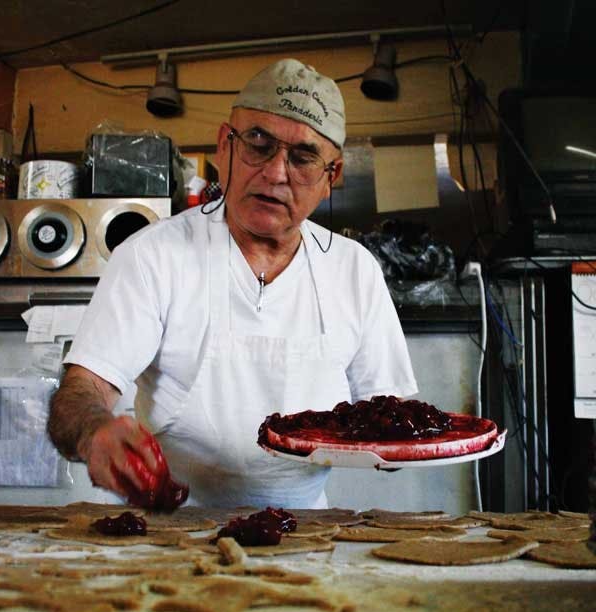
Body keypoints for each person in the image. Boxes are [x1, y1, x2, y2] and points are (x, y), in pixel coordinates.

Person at [47, 58, 418, 509]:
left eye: (302, 158)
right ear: (225, 145)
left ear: (331, 177)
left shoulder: (354, 270)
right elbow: (81, 392)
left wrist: (415, 438)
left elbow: (391, 424)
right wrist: (94, 431)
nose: (276, 172)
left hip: (308, 534)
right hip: (170, 527)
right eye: (258, 144)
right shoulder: (153, 256)